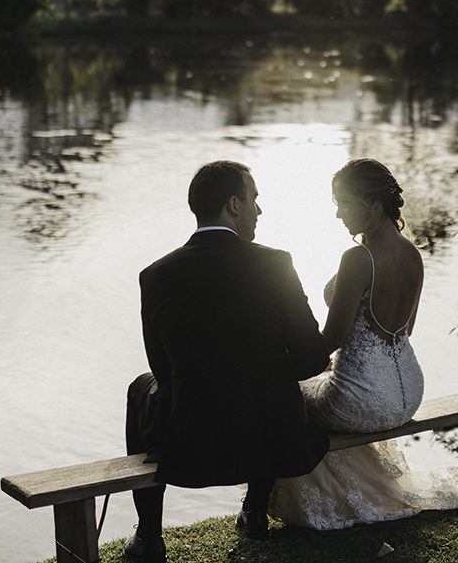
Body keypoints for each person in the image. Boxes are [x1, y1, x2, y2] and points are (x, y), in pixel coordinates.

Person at [268, 158, 458, 530]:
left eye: (343, 203)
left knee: (287, 398)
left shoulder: (358, 258)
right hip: (408, 392)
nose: (338, 215)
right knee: (315, 390)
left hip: (362, 399)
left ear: (371, 204)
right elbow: (405, 329)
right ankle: (350, 490)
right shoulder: (412, 254)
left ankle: (320, 503)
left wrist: (285, 362)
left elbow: (331, 339)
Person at [123, 161, 331, 561]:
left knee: (140, 386)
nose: (259, 209)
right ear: (234, 204)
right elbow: (310, 360)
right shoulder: (276, 263)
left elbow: (163, 370)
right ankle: (254, 510)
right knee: (258, 378)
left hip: (192, 441)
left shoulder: (155, 275)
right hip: (274, 438)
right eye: (254, 199)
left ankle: (149, 536)